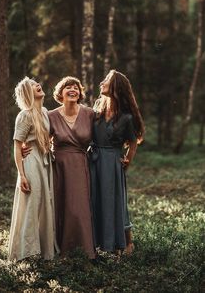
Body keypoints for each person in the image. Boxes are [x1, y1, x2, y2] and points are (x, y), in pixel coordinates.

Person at [89, 70, 145, 255]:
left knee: (113, 202)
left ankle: (123, 244)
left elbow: (133, 143)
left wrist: (126, 161)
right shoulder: (97, 109)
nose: (102, 82)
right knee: (94, 200)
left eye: (106, 80)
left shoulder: (126, 117)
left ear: (116, 86)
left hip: (112, 162)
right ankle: (96, 243)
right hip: (93, 160)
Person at [8, 77, 58, 261]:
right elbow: (16, 145)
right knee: (31, 204)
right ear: (27, 92)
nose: (38, 85)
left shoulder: (44, 111)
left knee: (45, 204)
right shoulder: (24, 115)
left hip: (44, 161)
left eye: (37, 83)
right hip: (31, 163)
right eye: (33, 85)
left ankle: (44, 251)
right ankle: (25, 253)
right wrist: (21, 175)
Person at [48, 76, 95, 259]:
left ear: (80, 92)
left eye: (76, 87)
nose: (73, 89)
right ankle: (62, 250)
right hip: (59, 165)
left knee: (79, 207)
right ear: (60, 93)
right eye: (68, 87)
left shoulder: (90, 113)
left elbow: (104, 134)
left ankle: (86, 251)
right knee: (61, 206)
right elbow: (41, 139)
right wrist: (25, 147)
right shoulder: (51, 115)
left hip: (81, 164)